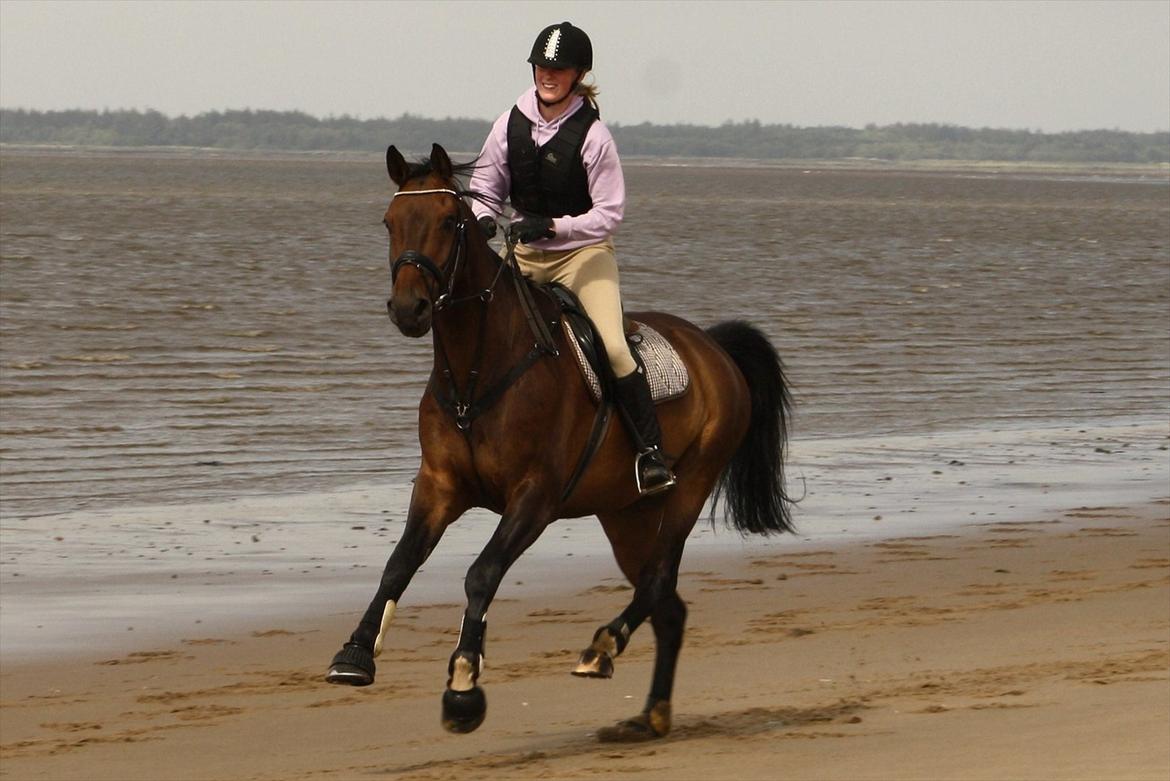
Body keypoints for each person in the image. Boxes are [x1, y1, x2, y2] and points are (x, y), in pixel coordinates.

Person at [469, 21, 675, 497]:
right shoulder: (508, 124)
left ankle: (650, 453)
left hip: (582, 255)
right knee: (477, 326)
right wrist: (483, 217)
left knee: (614, 346)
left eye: (559, 69)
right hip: (523, 252)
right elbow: (484, 187)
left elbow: (609, 214)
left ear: (578, 73)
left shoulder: (595, 136)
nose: (548, 75)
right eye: (542, 66)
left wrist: (556, 227)